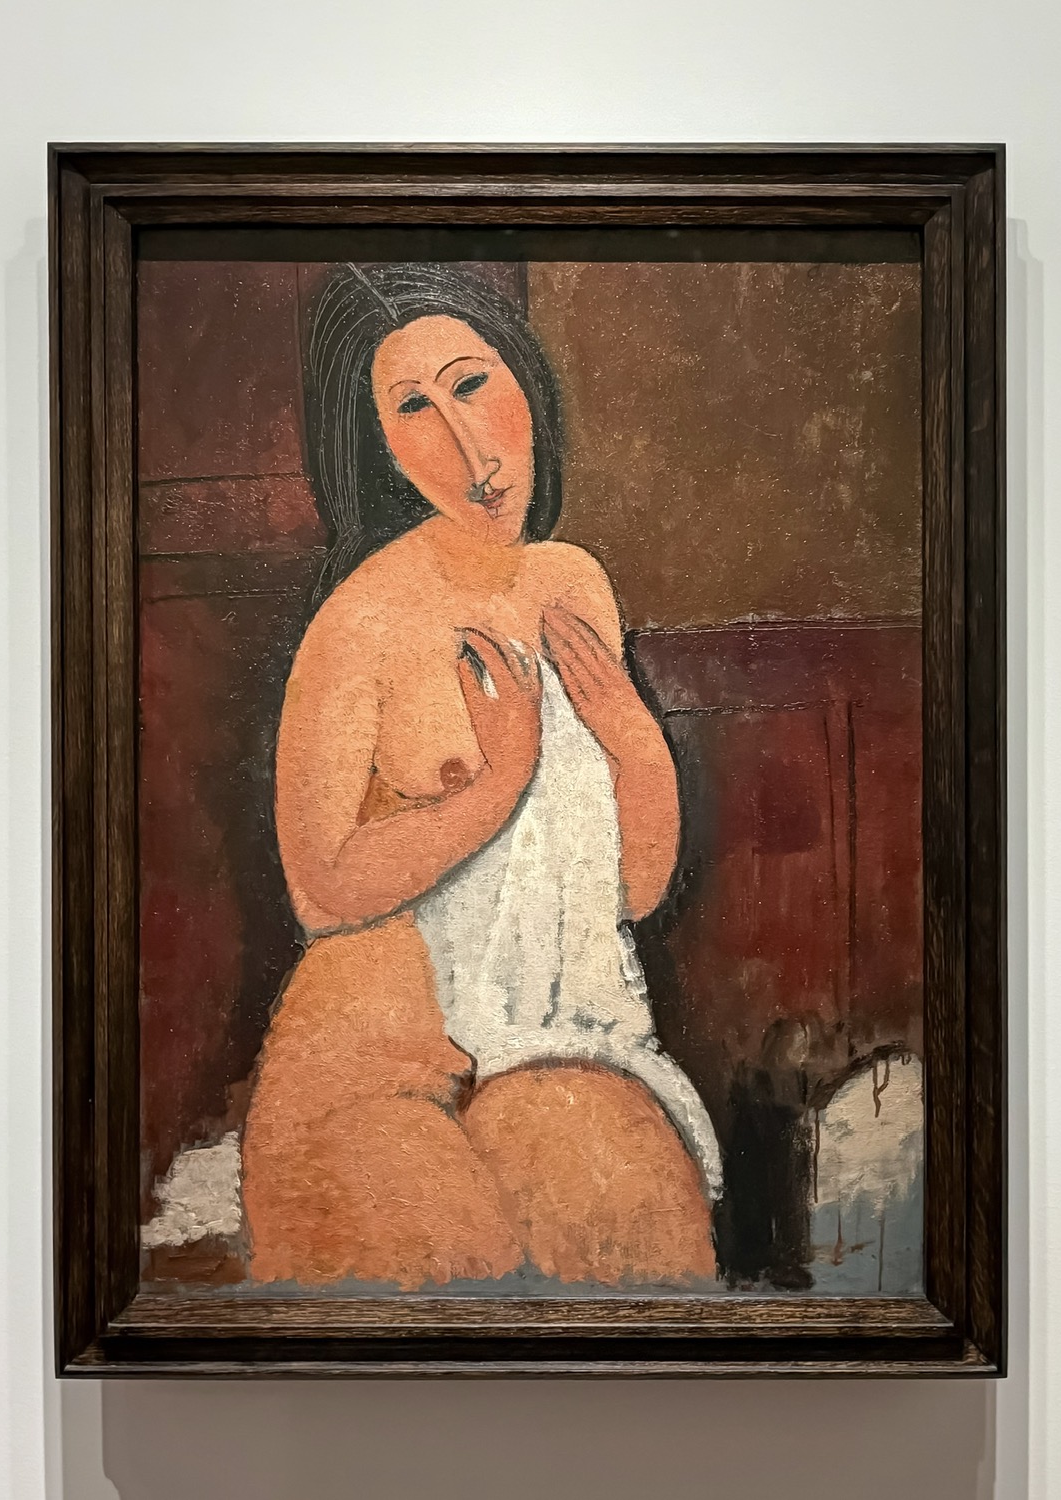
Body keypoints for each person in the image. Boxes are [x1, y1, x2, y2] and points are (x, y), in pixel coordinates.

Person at [240, 262, 721, 1288]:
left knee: (643, 1249)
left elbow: (628, 890)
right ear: (375, 442)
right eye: (412, 408)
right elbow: (319, 889)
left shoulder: (572, 580)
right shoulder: (358, 622)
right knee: (445, 1267)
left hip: (548, 1033)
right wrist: (495, 788)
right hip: (374, 1050)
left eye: (471, 384)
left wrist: (636, 742)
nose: (469, 450)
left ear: (525, 380)